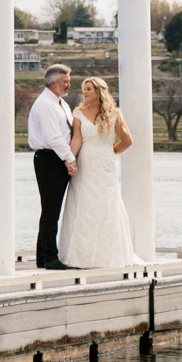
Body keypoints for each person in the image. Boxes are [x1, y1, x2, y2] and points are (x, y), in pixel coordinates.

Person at [58, 76, 136, 269]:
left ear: (99, 91)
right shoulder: (78, 113)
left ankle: (107, 256)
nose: (84, 92)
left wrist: (110, 152)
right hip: (85, 164)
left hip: (105, 166)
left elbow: (127, 141)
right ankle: (78, 257)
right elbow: (76, 139)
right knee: (83, 206)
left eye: (89, 89)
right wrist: (70, 158)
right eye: (84, 88)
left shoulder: (114, 114)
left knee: (106, 206)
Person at [28, 64, 77, 269]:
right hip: (50, 158)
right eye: (65, 81)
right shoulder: (46, 105)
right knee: (51, 210)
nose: (68, 85)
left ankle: (42, 256)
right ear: (54, 83)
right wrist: (69, 158)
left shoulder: (60, 103)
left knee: (50, 209)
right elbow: (53, 137)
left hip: (55, 157)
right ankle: (50, 257)